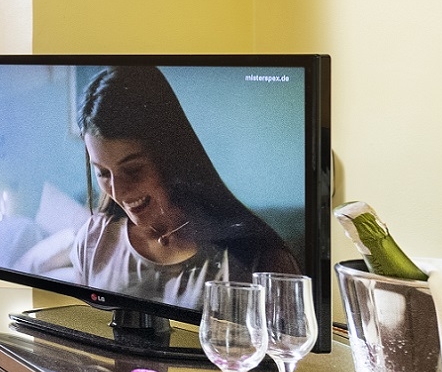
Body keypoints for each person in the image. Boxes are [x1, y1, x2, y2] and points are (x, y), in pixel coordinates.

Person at [19, 63, 299, 306]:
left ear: (170, 155)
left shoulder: (258, 260)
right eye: (102, 173)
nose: (118, 191)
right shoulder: (94, 241)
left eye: (133, 169)